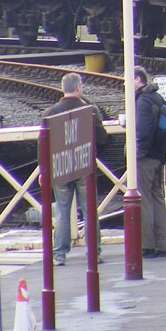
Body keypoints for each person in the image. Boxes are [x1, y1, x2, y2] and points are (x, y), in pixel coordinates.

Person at [43, 72, 109, 266]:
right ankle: (93, 254)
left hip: (60, 167)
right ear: (79, 88)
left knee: (62, 211)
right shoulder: (90, 111)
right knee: (89, 211)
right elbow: (103, 139)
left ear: (63, 89)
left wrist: (44, 169)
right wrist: (93, 153)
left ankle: (59, 255)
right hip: (84, 167)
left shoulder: (50, 113)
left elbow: (43, 145)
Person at [133, 67, 166, 258]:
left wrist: (137, 153)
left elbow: (144, 131)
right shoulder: (157, 97)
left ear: (137, 80)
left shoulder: (143, 101)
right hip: (159, 155)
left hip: (146, 157)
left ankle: (147, 245)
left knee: (144, 199)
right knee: (158, 198)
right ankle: (161, 244)